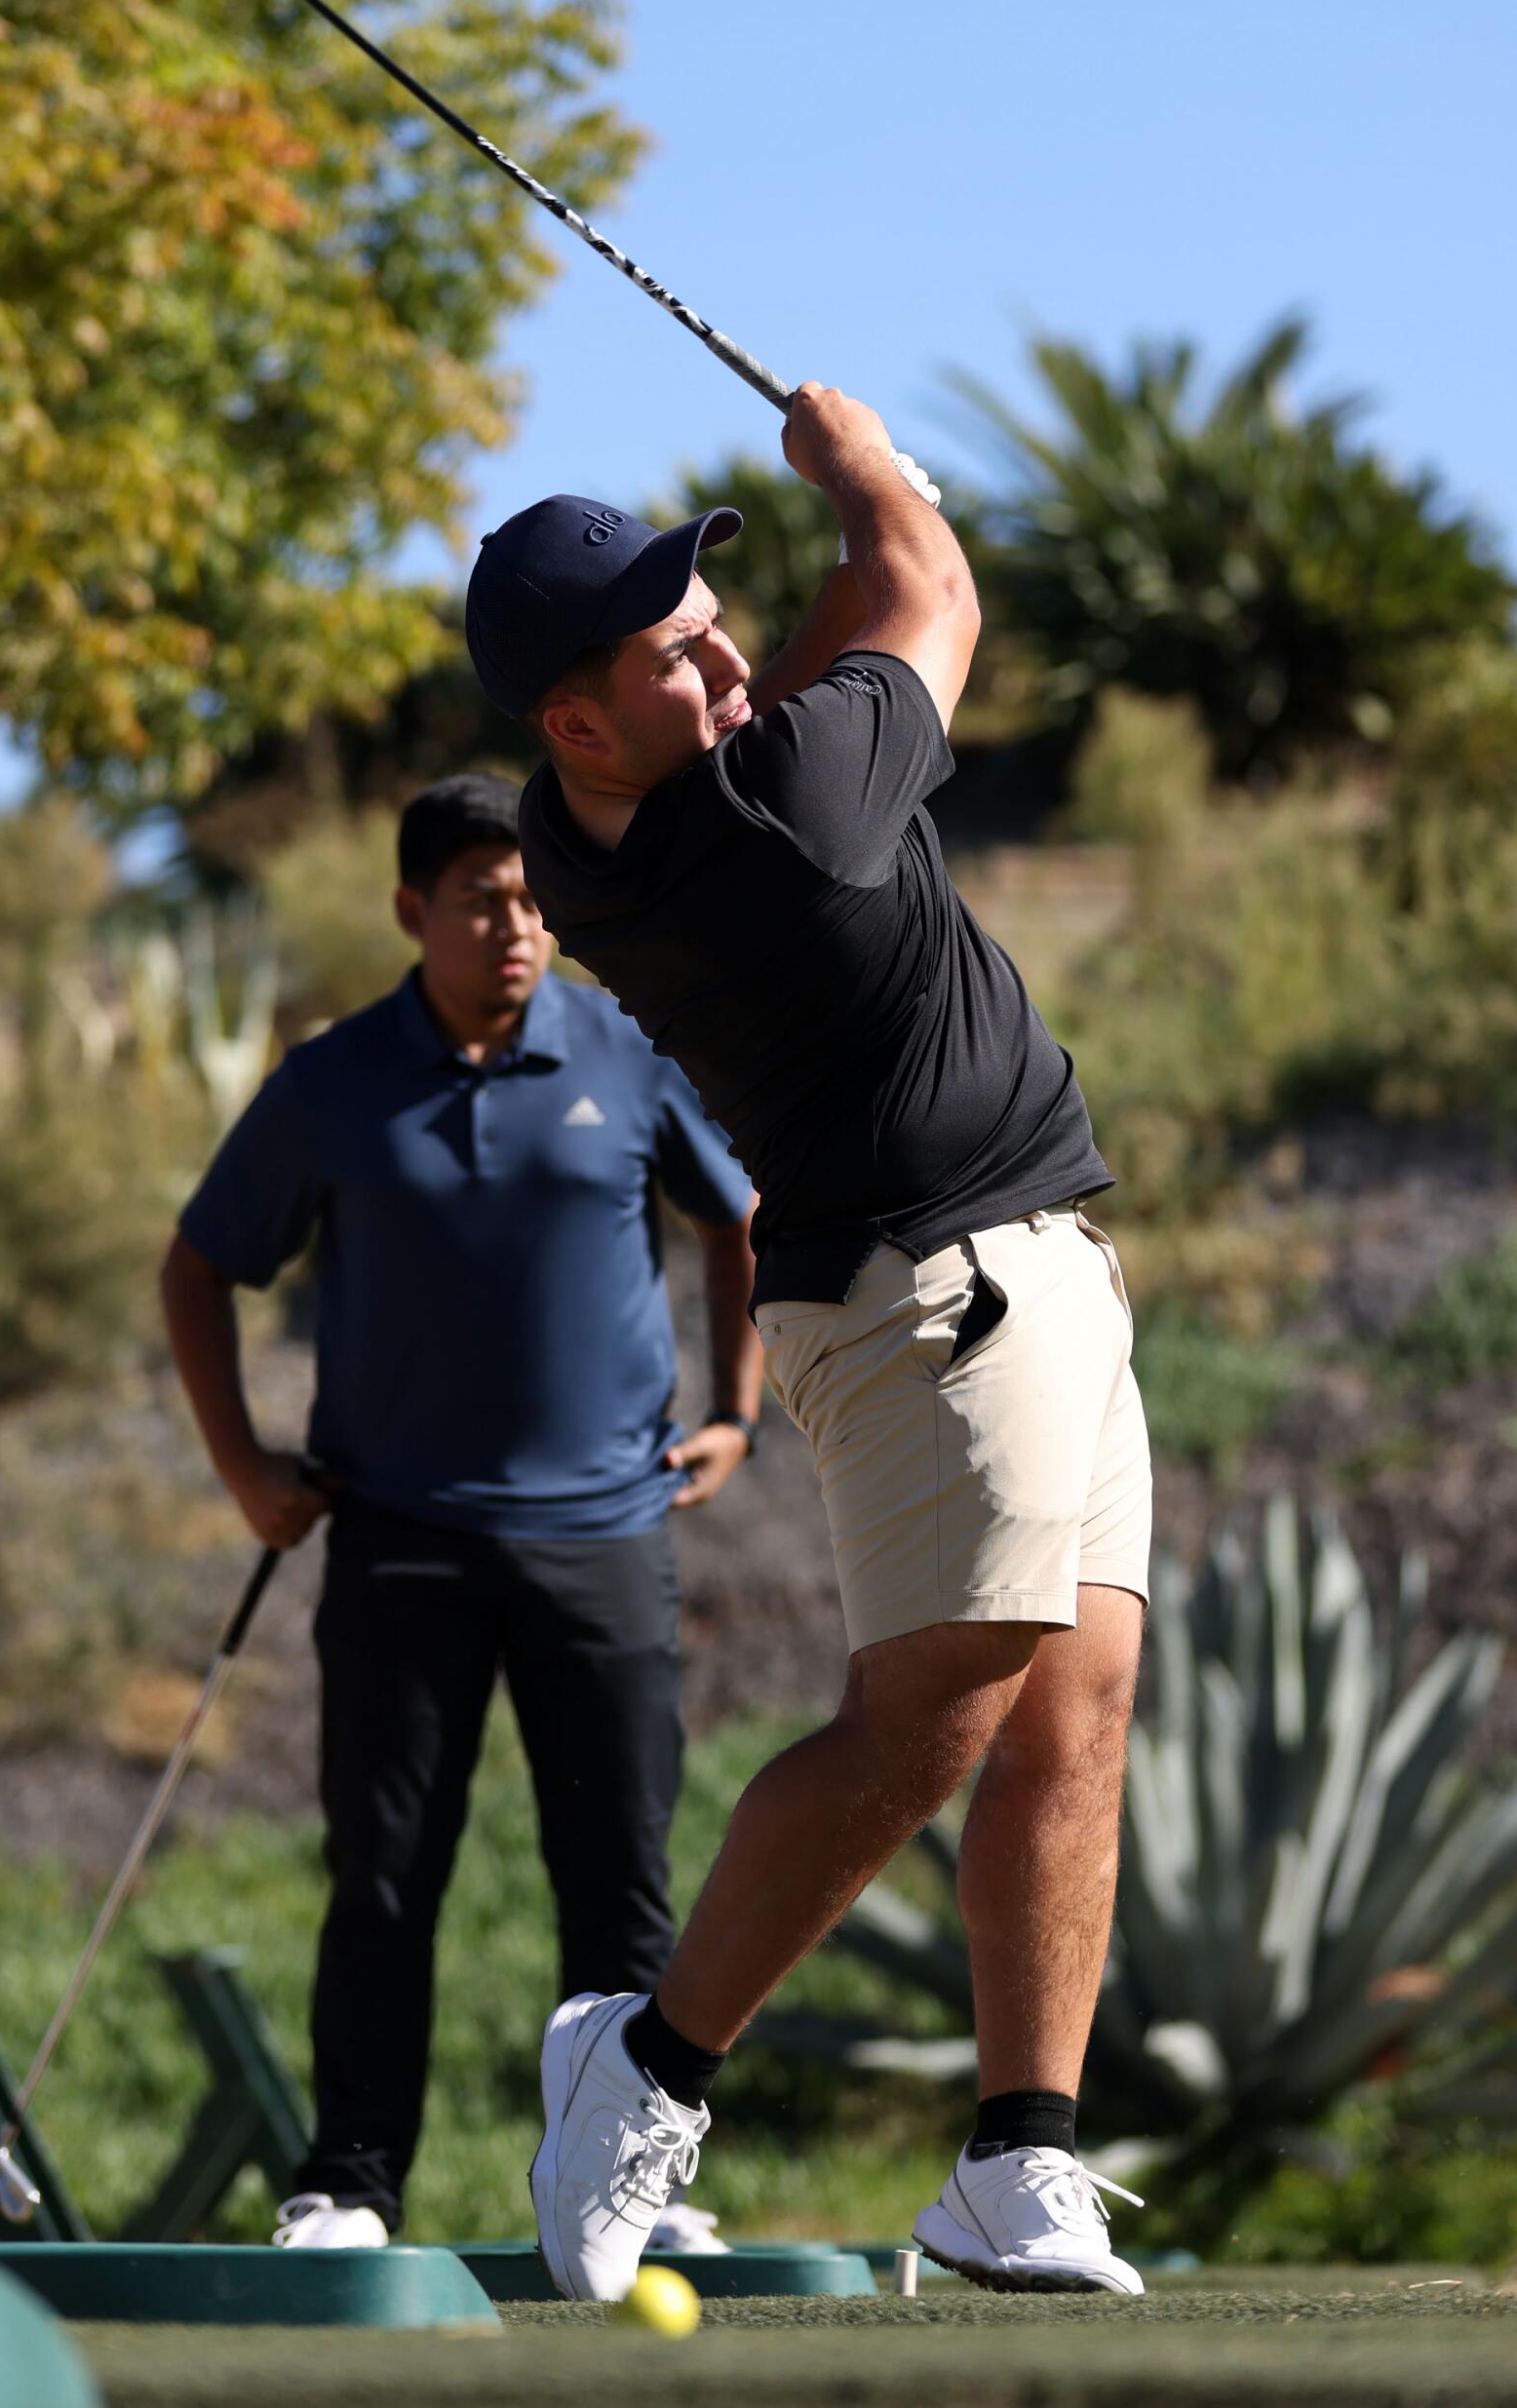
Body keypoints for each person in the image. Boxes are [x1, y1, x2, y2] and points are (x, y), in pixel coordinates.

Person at [462, 390, 1152, 2300]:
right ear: (581, 720)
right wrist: (859, 462)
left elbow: (853, 626)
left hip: (1038, 1272)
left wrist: (846, 541)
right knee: (924, 1720)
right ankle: (647, 2068)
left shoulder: (603, 820)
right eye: (680, 651)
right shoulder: (787, 810)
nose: (730, 659)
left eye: (717, 617)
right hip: (939, 1294)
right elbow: (922, 592)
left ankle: (1018, 2157)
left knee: (1072, 1706)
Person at [161, 772, 760, 2252]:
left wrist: (740, 1408)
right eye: (485, 899)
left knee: (618, 1876)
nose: (517, 925)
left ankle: (642, 2187)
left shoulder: (624, 1046)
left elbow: (737, 1218)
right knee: (381, 1874)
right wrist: (245, 1466)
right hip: (400, 1539)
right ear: (410, 910)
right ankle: (349, 2181)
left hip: (609, 1533)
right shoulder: (332, 1080)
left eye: (536, 900)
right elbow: (198, 1265)